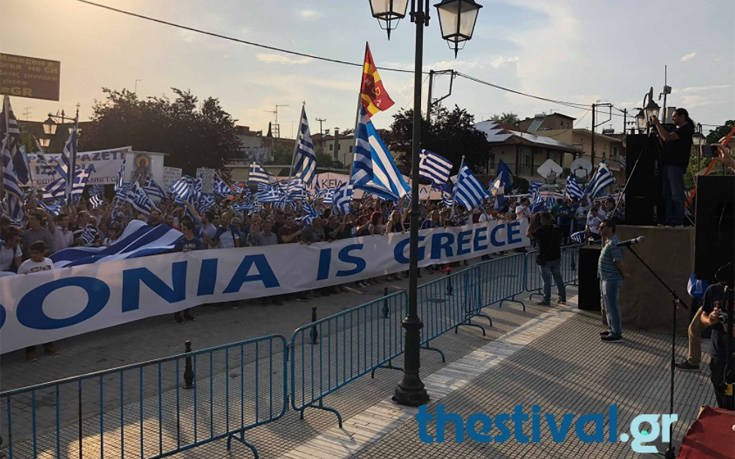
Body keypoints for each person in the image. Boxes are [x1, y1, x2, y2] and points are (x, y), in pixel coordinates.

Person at [652, 108, 694, 226]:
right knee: (667, 194)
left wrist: (657, 124)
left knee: (676, 194)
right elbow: (665, 140)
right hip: (668, 164)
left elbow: (667, 137)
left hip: (675, 165)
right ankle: (669, 220)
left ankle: (678, 220)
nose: (673, 118)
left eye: (675, 116)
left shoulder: (685, 129)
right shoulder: (678, 130)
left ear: (682, 116)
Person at [698, 274, 734, 409]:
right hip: (719, 351)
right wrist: (710, 319)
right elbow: (703, 315)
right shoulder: (713, 290)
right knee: (720, 386)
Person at [598, 219, 627, 341]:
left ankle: (616, 333)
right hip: (606, 278)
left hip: (612, 279)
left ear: (610, 228)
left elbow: (618, 261)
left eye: (602, 227)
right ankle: (612, 329)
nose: (599, 229)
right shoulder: (608, 241)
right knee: (608, 306)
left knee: (612, 306)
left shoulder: (614, 243)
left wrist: (624, 274)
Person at [530, 212, 566, 306]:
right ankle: (562, 297)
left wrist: (532, 222)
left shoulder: (540, 231)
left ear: (543, 220)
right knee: (558, 278)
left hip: (544, 259)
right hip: (556, 257)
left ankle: (546, 299)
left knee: (546, 281)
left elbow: (528, 234)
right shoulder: (557, 229)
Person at [173, 218, 201, 322]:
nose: (182, 230)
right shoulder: (180, 241)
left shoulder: (196, 241)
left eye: (184, 228)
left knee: (190, 291)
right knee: (180, 291)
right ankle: (177, 313)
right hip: (181, 269)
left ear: (190, 229)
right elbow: (174, 254)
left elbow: (201, 253)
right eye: (182, 228)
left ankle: (187, 312)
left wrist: (192, 253)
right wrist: (182, 252)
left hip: (192, 269)